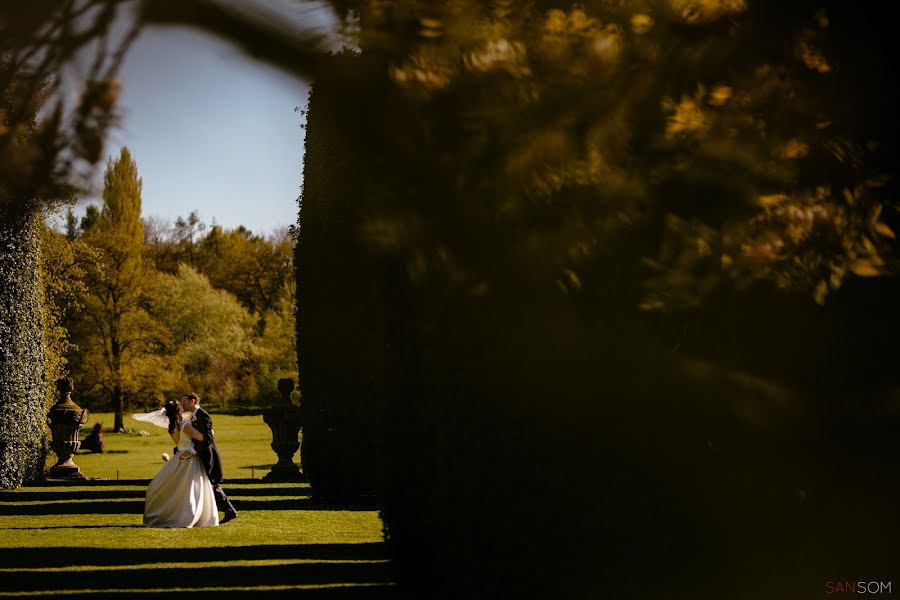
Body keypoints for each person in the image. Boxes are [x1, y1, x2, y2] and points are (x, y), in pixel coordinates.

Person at [138, 399, 218, 528]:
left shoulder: (171, 427)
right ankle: (188, 516)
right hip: (190, 459)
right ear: (179, 411)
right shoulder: (184, 425)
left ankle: (167, 515)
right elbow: (202, 438)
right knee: (190, 490)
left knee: (172, 488)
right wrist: (210, 432)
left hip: (178, 458)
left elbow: (181, 444)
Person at [180, 392, 239, 523]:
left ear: (193, 401)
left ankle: (230, 511)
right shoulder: (193, 416)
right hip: (201, 455)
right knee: (208, 485)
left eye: (185, 401)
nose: (183, 404)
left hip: (208, 455)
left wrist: (193, 450)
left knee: (212, 484)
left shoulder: (203, 415)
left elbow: (208, 439)